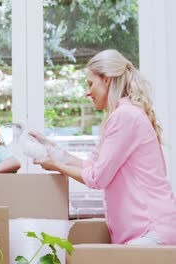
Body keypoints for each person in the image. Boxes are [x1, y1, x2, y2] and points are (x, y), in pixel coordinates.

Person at [33, 49, 176, 245]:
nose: (87, 91)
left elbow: (96, 178)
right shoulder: (120, 116)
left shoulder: (125, 116)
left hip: (151, 229)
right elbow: (91, 165)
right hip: (145, 231)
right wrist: (53, 150)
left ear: (107, 80)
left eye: (91, 83)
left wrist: (56, 166)